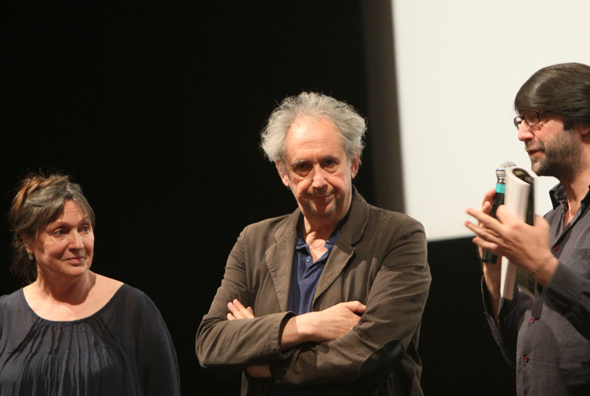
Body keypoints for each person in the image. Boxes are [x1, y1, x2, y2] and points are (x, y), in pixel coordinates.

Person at [196, 92, 431, 395]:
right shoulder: (253, 241)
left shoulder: (398, 236)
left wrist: (266, 364)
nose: (318, 181)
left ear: (354, 163)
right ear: (283, 172)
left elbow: (372, 354)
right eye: (303, 167)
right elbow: (211, 343)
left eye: (329, 163)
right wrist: (307, 326)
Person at [465, 63, 590, 395]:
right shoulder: (549, 222)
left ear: (584, 121)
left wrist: (543, 266)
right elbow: (520, 351)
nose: (522, 134)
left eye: (537, 117)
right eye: (520, 120)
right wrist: (494, 264)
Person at [0, 174, 181, 395]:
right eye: (60, 231)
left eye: (84, 228)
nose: (78, 244)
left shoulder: (133, 310)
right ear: (27, 241)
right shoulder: (5, 316)